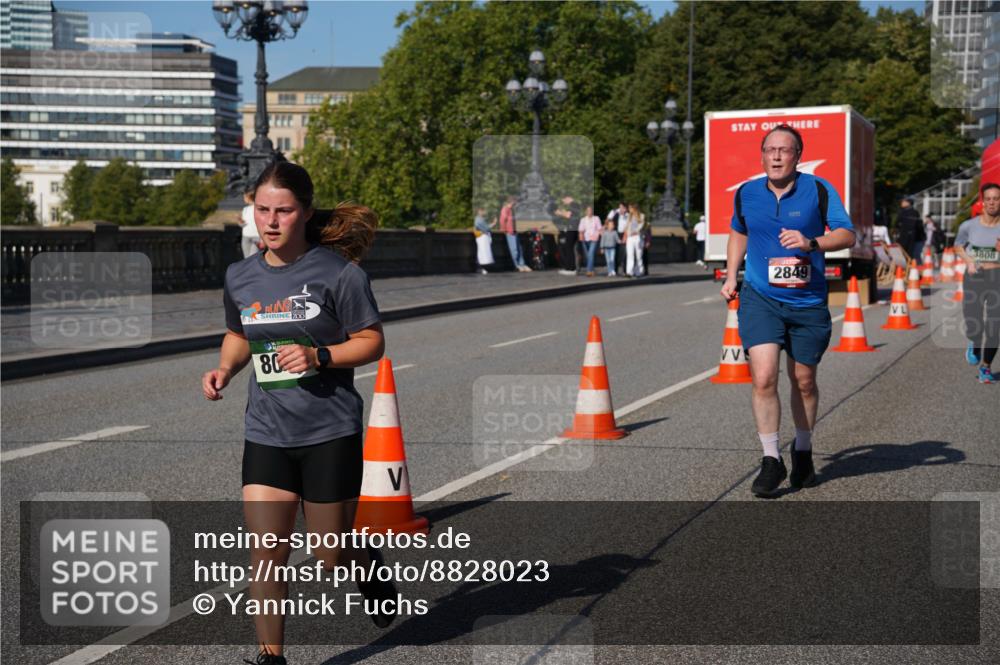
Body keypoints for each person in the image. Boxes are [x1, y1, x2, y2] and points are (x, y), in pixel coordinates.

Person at [201, 162, 397, 665]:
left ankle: (363, 561)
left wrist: (321, 356)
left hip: (329, 430)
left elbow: (372, 342)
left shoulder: (340, 275)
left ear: (305, 213)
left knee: (329, 554)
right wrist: (225, 368)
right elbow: (240, 333)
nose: (271, 221)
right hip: (266, 431)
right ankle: (272, 658)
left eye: (283, 211)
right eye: (262, 209)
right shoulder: (240, 276)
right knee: (267, 552)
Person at [720, 124, 856, 498]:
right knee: (763, 377)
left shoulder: (819, 189)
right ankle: (770, 460)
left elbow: (847, 234)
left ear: (798, 156)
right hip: (760, 298)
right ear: (762, 155)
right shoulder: (747, 193)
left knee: (804, 381)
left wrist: (811, 242)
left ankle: (803, 449)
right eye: (770, 150)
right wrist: (733, 274)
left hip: (807, 302)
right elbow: (739, 231)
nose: (777, 156)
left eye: (785, 150)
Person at [954, 182, 1000, 384]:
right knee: (975, 323)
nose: (992, 203)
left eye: (996, 199)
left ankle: (986, 367)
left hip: (997, 277)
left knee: (994, 327)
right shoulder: (969, 226)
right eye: (988, 199)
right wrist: (969, 261)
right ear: (982, 202)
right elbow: (958, 246)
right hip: (974, 277)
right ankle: (974, 342)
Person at [499, 195, 530, 272]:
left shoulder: (511, 210)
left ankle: (522, 264)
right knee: (514, 250)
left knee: (519, 249)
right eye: (515, 201)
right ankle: (516, 265)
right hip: (509, 232)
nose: (516, 203)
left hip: (514, 231)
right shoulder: (505, 209)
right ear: (512, 201)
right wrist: (503, 229)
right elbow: (502, 220)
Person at [577, 205, 603, 276]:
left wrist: (602, 238)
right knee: (588, 255)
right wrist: (581, 236)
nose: (589, 212)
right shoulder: (583, 220)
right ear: (586, 212)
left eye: (591, 210)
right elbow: (581, 230)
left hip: (594, 239)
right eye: (588, 210)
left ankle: (589, 271)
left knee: (591, 254)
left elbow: (600, 229)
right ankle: (592, 270)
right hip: (585, 239)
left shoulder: (596, 218)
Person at [624, 204, 645, 277]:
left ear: (634, 208)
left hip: (637, 237)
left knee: (638, 256)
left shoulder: (641, 216)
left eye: (630, 208)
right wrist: (626, 234)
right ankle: (629, 272)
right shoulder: (629, 217)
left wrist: (635, 231)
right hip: (630, 238)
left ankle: (639, 271)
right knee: (630, 255)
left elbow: (641, 226)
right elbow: (626, 227)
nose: (629, 209)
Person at [474, 206, 496, 275]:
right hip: (481, 237)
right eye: (484, 211)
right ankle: (480, 268)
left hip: (482, 237)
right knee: (482, 253)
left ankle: (482, 267)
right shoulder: (479, 219)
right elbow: (486, 228)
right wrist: (494, 223)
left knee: (482, 252)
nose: (485, 213)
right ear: (480, 212)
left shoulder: (480, 219)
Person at [240, 192, 262, 258]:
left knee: (254, 258)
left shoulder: (259, 209)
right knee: (246, 259)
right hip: (246, 236)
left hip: (256, 236)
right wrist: (240, 222)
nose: (244, 199)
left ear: (249, 198)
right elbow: (243, 225)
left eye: (244, 197)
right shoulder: (245, 209)